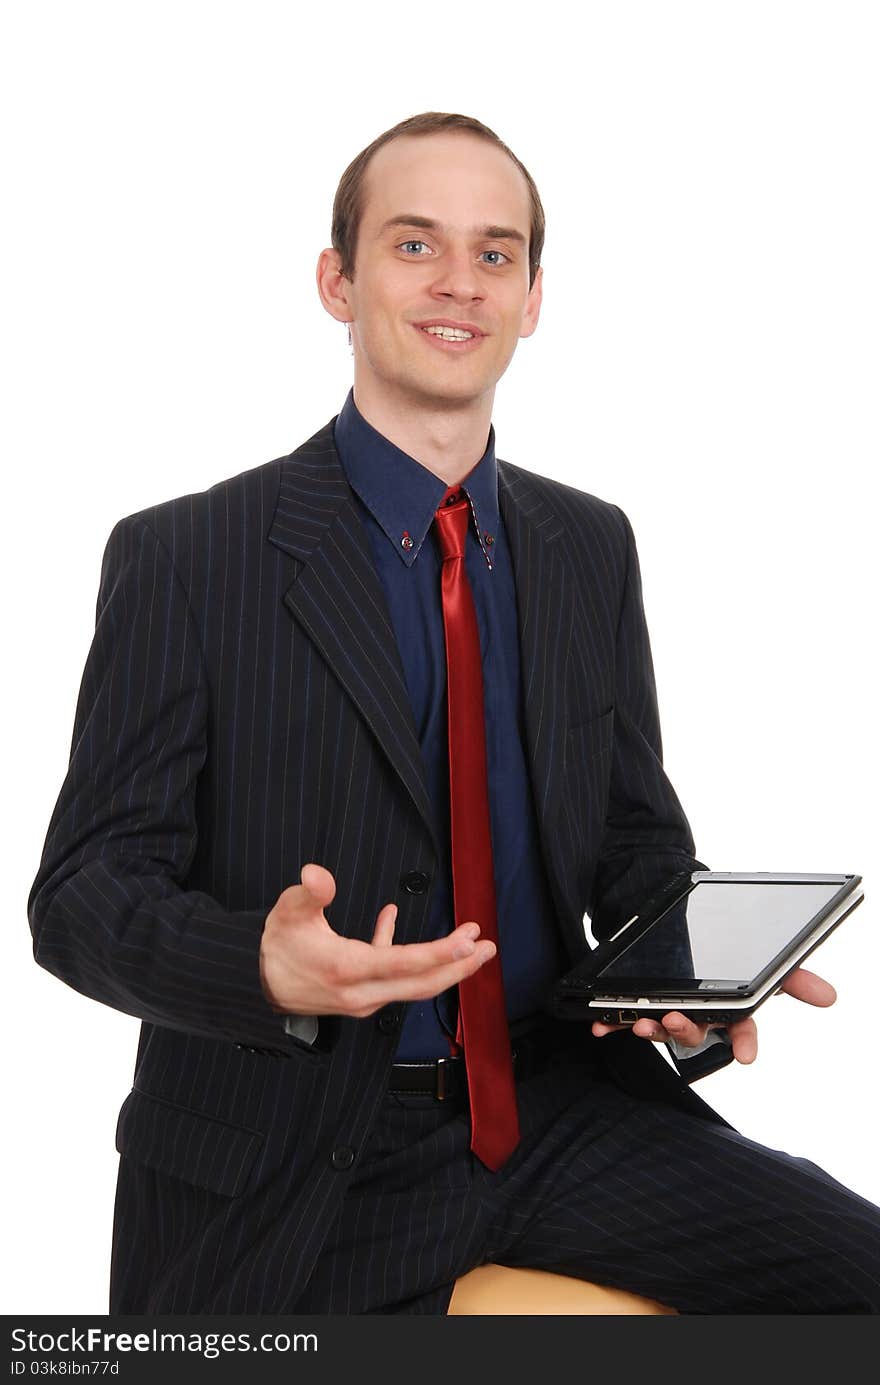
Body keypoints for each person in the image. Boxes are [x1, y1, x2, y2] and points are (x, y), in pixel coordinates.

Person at [28, 111, 880, 1315]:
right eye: (414, 243)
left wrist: (686, 968)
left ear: (533, 296)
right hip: (301, 1155)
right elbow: (79, 899)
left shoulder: (588, 543)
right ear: (338, 279)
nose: (458, 284)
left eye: (495, 254)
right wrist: (261, 967)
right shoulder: (186, 555)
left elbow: (635, 840)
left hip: (554, 1114)